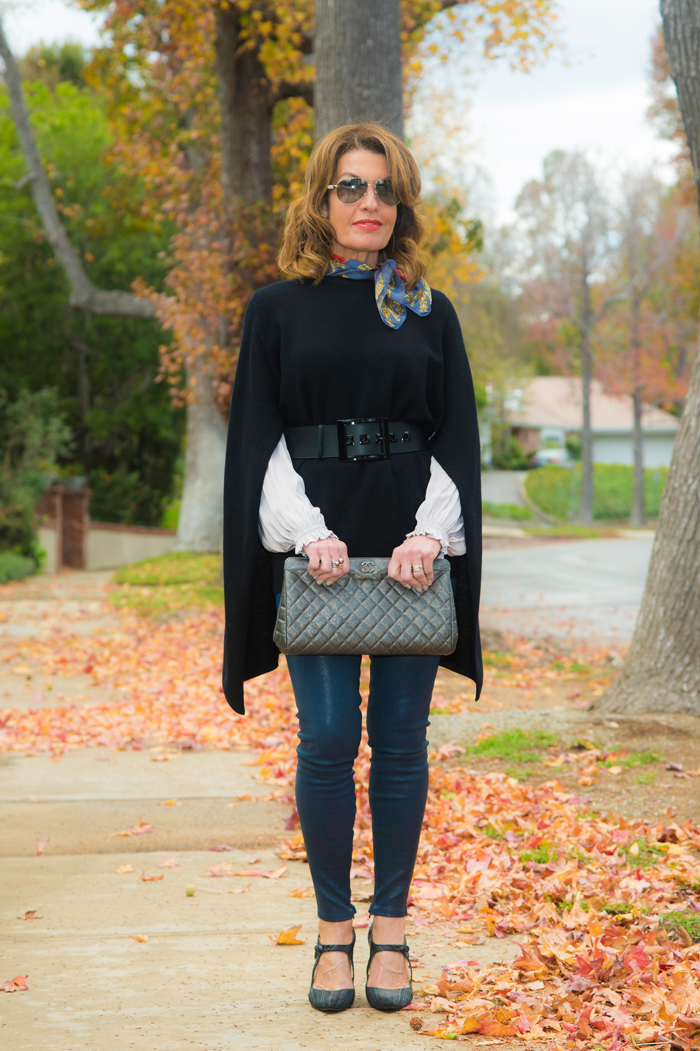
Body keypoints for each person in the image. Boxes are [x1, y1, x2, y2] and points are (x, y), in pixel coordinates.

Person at [222, 122, 482, 1013]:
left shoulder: (428, 307)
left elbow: (455, 434)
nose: (368, 203)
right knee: (330, 739)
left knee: (401, 744)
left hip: (410, 546)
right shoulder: (276, 309)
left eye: (382, 189)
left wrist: (427, 532)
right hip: (319, 552)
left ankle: (394, 928)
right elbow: (260, 437)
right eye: (350, 187)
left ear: (399, 203)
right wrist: (303, 530)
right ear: (322, 199)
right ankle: (335, 934)